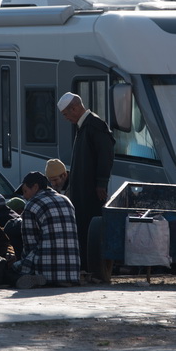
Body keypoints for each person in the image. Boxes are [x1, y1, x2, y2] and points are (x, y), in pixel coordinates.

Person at [58, 92, 115, 272]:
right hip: (82, 191)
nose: (66, 118)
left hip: (90, 191)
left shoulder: (95, 125)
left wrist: (101, 183)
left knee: (89, 228)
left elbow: (105, 155)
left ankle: (91, 267)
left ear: (74, 108)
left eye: (66, 114)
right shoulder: (84, 126)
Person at [11, 171, 81, 288]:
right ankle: (61, 280)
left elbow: (30, 245)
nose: (24, 196)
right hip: (72, 272)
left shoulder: (31, 205)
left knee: (11, 271)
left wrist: (20, 265)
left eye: (25, 191)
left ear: (35, 187)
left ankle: (34, 278)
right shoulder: (66, 200)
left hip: (46, 271)